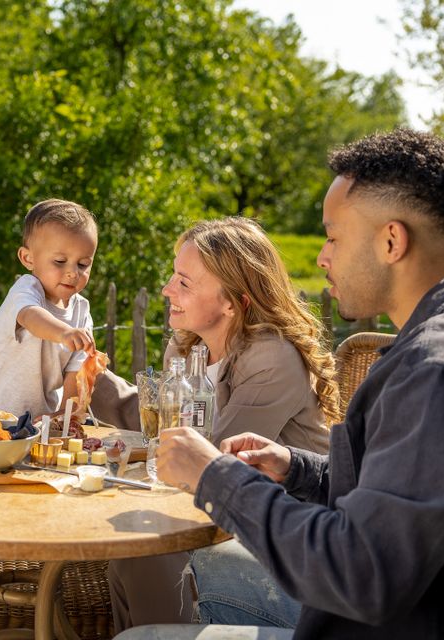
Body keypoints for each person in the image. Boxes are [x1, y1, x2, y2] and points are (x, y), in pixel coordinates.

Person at [132, 128, 444, 639]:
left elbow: (362, 574)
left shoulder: (439, 369)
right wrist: (299, 469)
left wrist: (217, 477)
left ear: (391, 241)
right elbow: (402, 494)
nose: (322, 257)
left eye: (333, 237)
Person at [100, 217, 337, 632]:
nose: (167, 290)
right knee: (123, 553)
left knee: (146, 550)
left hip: (281, 535)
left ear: (232, 302)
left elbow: (212, 462)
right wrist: (91, 379)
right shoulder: (191, 346)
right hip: (217, 517)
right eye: (173, 276)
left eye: (184, 283)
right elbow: (159, 427)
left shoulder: (271, 358)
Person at [0, 198, 98, 418]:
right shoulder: (25, 290)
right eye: (60, 261)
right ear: (28, 258)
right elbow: (31, 317)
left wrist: (65, 415)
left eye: (83, 264)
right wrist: (64, 333)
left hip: (42, 424)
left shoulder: (82, 311)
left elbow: (75, 376)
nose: (73, 272)